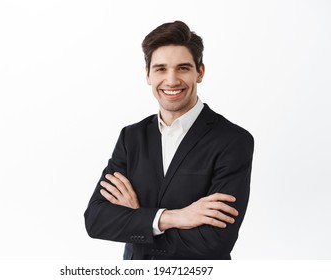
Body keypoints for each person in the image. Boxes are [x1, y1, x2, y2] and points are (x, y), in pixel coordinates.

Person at [84, 21, 254, 260]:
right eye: (161, 69)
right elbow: (96, 220)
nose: (171, 80)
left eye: (182, 68)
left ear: (200, 72)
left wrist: (139, 219)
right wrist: (174, 217)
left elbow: (215, 242)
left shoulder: (233, 140)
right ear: (148, 75)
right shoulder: (131, 137)